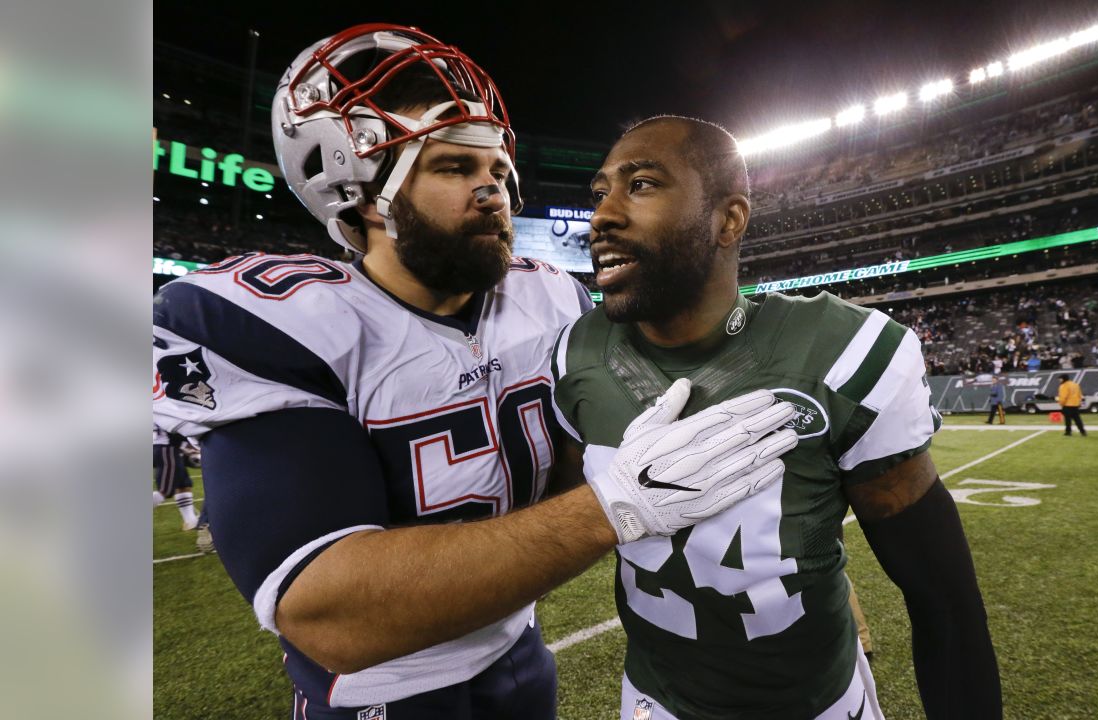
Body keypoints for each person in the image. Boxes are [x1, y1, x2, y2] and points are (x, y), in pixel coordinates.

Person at [152, 27, 795, 719]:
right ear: (364, 194)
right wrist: (614, 506)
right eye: (455, 169)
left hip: (520, 653)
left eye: (496, 171)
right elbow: (329, 612)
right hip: (383, 693)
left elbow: (621, 439)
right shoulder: (281, 320)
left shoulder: (550, 297)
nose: (493, 193)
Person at [553, 116, 1001, 719]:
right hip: (653, 703)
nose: (602, 215)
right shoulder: (575, 355)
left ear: (728, 219)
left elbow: (943, 602)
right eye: (600, 192)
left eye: (641, 185)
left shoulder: (841, 352)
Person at [152, 424, 199, 530]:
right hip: (167, 448)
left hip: (166, 447)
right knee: (165, 490)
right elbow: (172, 428)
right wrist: (188, 447)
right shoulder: (164, 407)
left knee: (183, 484)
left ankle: (190, 521)